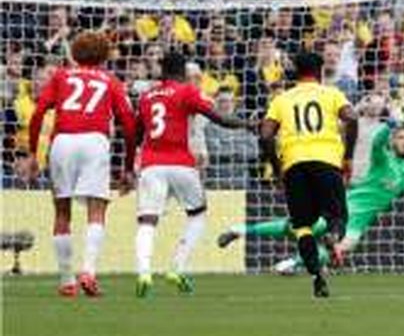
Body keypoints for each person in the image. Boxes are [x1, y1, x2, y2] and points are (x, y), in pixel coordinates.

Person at [217, 120, 404, 274]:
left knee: (340, 248)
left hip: (358, 222)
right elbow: (378, 141)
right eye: (401, 138)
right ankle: (239, 230)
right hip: (340, 209)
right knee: (298, 228)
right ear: (394, 141)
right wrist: (389, 122)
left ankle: (292, 263)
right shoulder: (383, 160)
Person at [27, 31, 137, 297]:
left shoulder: (62, 76)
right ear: (104, 55)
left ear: (75, 53)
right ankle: (88, 271)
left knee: (62, 212)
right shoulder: (110, 80)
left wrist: (33, 153)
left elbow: (39, 112)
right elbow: (129, 123)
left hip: (62, 141)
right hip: (95, 143)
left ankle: (66, 281)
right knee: (96, 210)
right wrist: (129, 165)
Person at [134, 52, 254, 298]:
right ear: (183, 73)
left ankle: (144, 272)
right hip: (181, 164)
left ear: (161, 71)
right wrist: (247, 124)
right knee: (197, 215)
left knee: (148, 221)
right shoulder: (187, 92)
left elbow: (137, 134)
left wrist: (127, 165)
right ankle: (177, 268)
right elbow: (218, 118)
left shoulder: (146, 97)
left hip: (151, 164)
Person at [259, 51, 358, 298]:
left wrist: (278, 166)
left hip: (294, 165)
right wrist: (348, 157)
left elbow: (266, 135)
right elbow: (352, 118)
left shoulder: (281, 99)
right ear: (320, 71)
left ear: (296, 73)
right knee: (338, 216)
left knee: (302, 226)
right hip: (326, 162)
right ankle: (333, 235)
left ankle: (317, 277)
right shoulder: (332, 94)